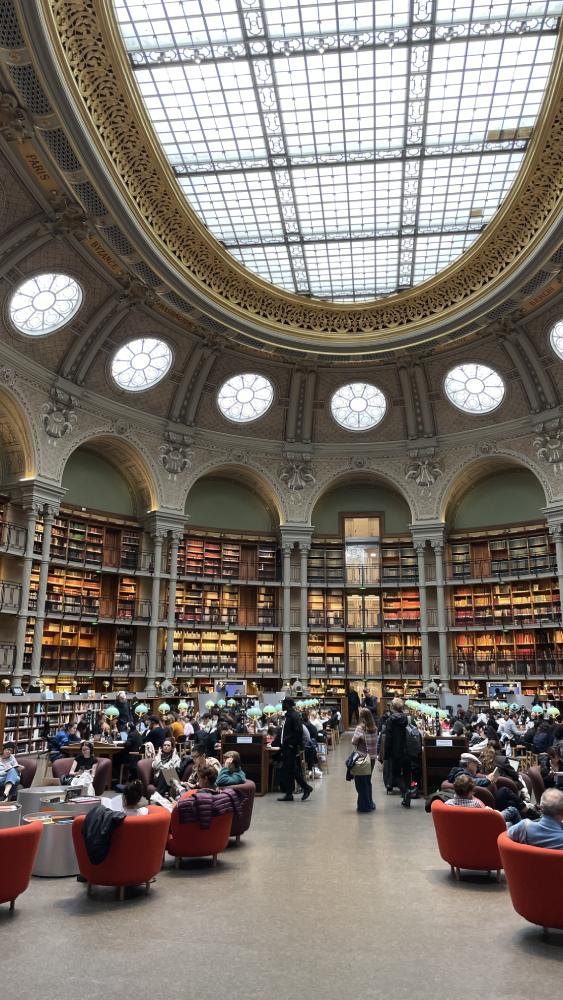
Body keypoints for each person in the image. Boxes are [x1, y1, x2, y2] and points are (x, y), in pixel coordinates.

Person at [278, 697, 312, 802]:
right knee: (290, 770)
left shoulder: (294, 716)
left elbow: (298, 732)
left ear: (287, 704)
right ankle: (292, 792)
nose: (282, 705)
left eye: (283, 703)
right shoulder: (289, 715)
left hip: (291, 747)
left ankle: (304, 789)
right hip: (287, 747)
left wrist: (291, 743)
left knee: (289, 770)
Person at [383, 698, 412, 807]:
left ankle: (406, 792)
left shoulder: (390, 720)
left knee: (395, 775)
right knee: (407, 774)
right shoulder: (407, 718)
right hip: (407, 750)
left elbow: (388, 738)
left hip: (395, 751)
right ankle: (407, 796)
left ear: (392, 707)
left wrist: (385, 754)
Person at [351, 708, 377, 813]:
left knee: (360, 783)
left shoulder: (360, 728)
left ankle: (363, 806)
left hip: (362, 757)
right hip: (372, 758)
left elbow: (353, 741)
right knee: (367, 781)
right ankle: (370, 803)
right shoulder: (374, 728)